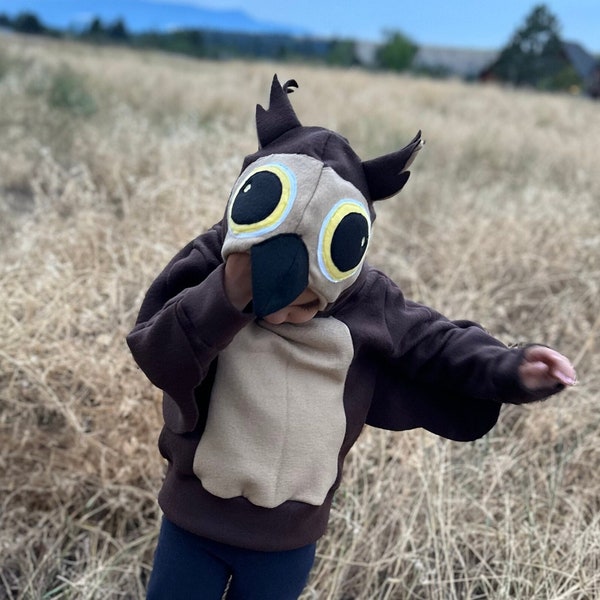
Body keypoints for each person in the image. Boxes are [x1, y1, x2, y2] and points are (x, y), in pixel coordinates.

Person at [126, 75, 576, 600]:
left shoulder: (366, 299)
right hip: (192, 522)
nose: (281, 309)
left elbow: (435, 343)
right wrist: (227, 294)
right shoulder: (211, 264)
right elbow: (158, 351)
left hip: (288, 541)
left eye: (304, 301)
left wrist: (509, 367)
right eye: (264, 293)